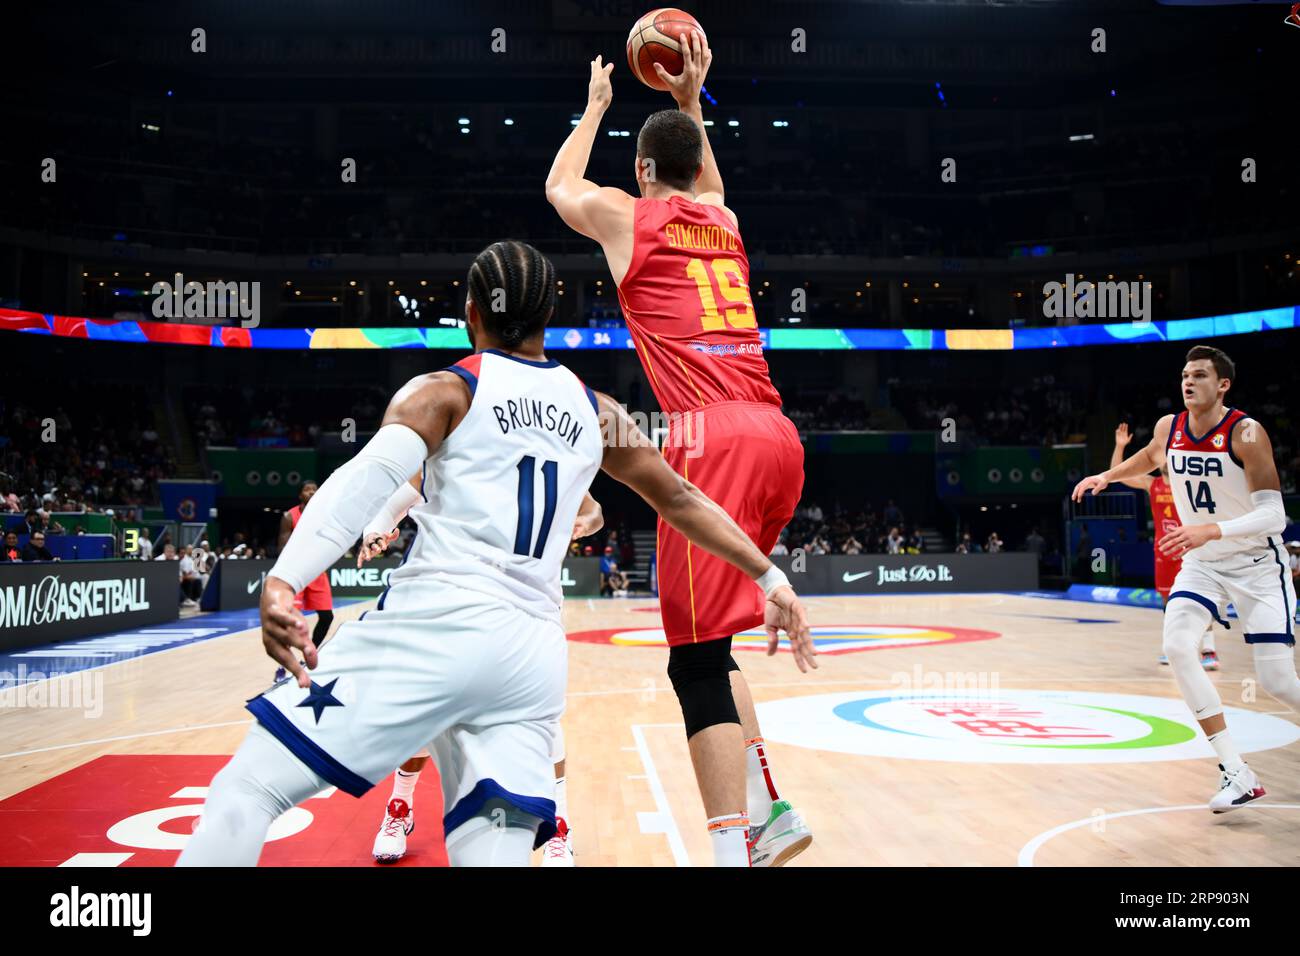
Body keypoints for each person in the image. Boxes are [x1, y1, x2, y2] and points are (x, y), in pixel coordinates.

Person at [176, 240, 811, 869]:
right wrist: (770, 574)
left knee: (246, 791)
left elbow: (362, 479)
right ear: (549, 316)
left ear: (472, 312)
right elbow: (682, 497)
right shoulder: (599, 413)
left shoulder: (443, 391)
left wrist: (285, 578)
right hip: (528, 661)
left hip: (438, 625)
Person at [545, 38, 813, 866]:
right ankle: (771, 809)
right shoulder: (724, 222)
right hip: (778, 435)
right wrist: (694, 97)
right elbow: (710, 180)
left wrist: (594, 103)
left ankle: (733, 850)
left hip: (711, 439)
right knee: (718, 649)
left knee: (693, 666)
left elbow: (559, 187)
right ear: (697, 166)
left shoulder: (629, 214)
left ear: (641, 168)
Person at [1073, 345, 1299, 811]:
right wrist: (1108, 475)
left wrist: (1210, 529)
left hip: (1257, 565)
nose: (1188, 382)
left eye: (1199, 375)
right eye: (1184, 375)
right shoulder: (1169, 427)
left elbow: (1275, 517)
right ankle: (1237, 772)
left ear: (1223, 385)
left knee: (1277, 681)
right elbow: (1151, 456)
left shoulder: (1247, 433)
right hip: (1204, 563)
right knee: (1178, 646)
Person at [357, 484, 603, 866]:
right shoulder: (462, 439)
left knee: (545, 720)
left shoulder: (554, 441)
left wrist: (582, 522)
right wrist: (377, 525)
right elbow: (405, 491)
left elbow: (594, 510)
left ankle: (558, 826)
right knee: (428, 713)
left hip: (533, 602)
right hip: (455, 598)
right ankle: (400, 806)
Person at [1111, 422, 1217, 669]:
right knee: (1168, 602)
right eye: (1161, 456)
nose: (1164, 459)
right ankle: (1173, 648)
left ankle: (1209, 649)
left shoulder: (1188, 483)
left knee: (1198, 600)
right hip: (1163, 551)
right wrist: (1119, 447)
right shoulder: (1151, 484)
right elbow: (1117, 471)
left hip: (1190, 549)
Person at [273, 482, 336, 681]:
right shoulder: (289, 516)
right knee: (290, 621)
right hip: (297, 571)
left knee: (327, 617)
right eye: (308, 489)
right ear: (300, 494)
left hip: (316, 569)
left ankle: (309, 656)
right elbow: (282, 546)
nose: (312, 492)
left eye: (315, 489)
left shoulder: (323, 515)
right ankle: (282, 667)